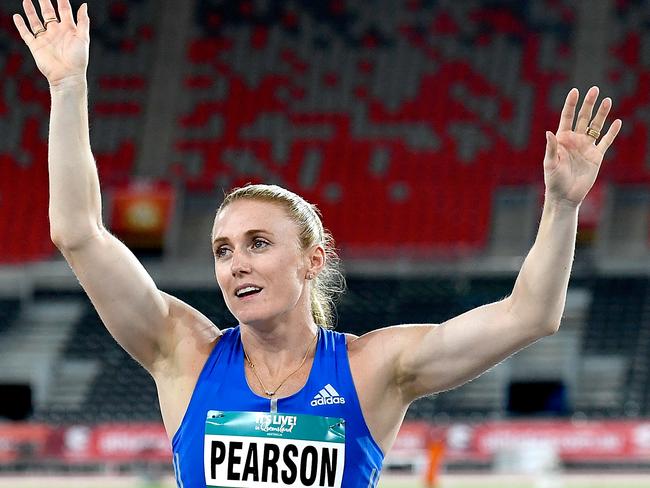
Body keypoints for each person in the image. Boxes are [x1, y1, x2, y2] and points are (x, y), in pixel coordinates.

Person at [13, 1, 622, 487]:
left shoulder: (374, 369)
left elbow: (531, 315)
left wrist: (563, 205)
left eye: (257, 243)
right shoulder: (183, 353)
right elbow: (79, 234)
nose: (235, 265)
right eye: (223, 250)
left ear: (313, 258)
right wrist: (68, 89)